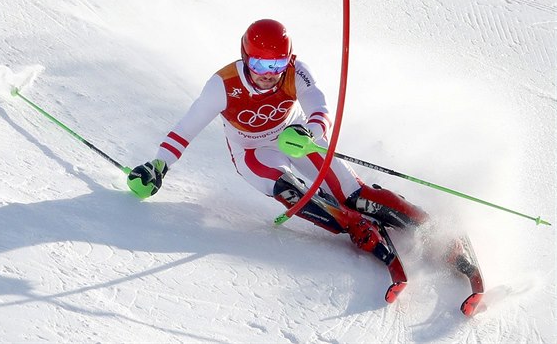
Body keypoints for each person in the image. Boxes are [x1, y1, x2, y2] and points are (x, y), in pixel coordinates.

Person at [128, 19, 428, 263]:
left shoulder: (296, 72)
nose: (269, 75)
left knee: (353, 193)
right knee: (291, 190)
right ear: (246, 58)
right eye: (260, 65)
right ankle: (354, 226)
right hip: (252, 153)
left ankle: (426, 224)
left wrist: (310, 132)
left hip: (294, 137)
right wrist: (159, 165)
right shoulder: (222, 85)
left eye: (277, 65)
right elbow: (186, 128)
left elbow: (318, 107)